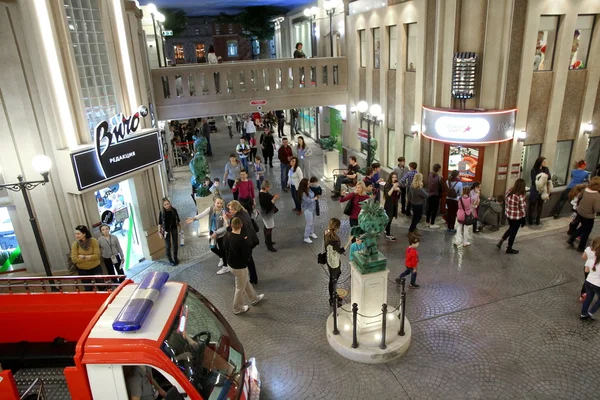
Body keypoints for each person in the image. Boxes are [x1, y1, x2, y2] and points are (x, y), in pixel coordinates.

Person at [224, 217, 264, 315]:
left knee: (245, 281)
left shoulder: (227, 234)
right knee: (239, 288)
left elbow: (224, 247)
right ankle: (237, 308)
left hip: (230, 263)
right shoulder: (241, 240)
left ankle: (254, 298)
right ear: (241, 225)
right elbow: (247, 255)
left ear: (231, 225)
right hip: (239, 267)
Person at [186, 196, 230, 275]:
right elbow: (202, 214)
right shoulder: (211, 209)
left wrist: (216, 233)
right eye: (218, 203)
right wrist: (194, 218)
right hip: (211, 231)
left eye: (221, 203)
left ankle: (225, 267)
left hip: (221, 235)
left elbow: (225, 227)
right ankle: (221, 258)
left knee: (223, 250)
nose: (219, 205)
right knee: (212, 248)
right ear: (214, 203)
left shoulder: (224, 213)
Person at [227, 201, 260, 284]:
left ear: (235, 209)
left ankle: (249, 278)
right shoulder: (244, 212)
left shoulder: (237, 219)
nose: (229, 211)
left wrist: (226, 220)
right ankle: (253, 278)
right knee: (249, 259)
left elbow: (231, 229)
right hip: (251, 239)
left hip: (245, 242)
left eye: (231, 209)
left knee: (247, 259)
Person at [567, 176, 600, 252]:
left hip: (580, 212)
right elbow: (597, 209)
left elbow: (579, 197)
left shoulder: (585, 190)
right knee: (586, 231)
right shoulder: (597, 195)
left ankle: (571, 239)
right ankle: (581, 247)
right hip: (588, 216)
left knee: (583, 227)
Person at [323, 218, 351, 307]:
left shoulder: (326, 233)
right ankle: (332, 299)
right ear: (337, 228)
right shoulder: (334, 240)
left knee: (335, 277)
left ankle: (334, 295)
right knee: (333, 280)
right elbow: (341, 251)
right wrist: (349, 240)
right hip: (334, 262)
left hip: (329, 259)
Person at [497, 178, 527, 254]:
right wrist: (523, 218)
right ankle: (509, 248)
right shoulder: (520, 196)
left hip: (509, 215)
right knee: (513, 232)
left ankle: (501, 240)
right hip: (517, 217)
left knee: (511, 228)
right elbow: (522, 208)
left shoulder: (509, 191)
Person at [71, 225, 102, 291]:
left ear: (84, 234)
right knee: (88, 288)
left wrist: (83, 257)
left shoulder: (93, 241)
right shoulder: (75, 244)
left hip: (95, 268)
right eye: (75, 234)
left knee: (101, 286)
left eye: (78, 234)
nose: (76, 236)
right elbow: (74, 259)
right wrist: (90, 257)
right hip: (83, 270)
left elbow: (97, 256)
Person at [580, 237, 600, 320]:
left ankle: (583, 314)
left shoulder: (591, 260)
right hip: (598, 284)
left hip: (588, 281)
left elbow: (586, 270)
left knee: (588, 298)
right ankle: (591, 312)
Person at [158, 198, 181, 266]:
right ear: (163, 206)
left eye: (168, 204)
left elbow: (178, 219)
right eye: (165, 205)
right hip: (166, 230)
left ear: (170, 203)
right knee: (168, 245)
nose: (167, 205)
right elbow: (159, 223)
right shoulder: (162, 213)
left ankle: (175, 257)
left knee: (175, 243)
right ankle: (170, 259)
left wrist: (180, 227)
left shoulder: (174, 210)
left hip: (174, 228)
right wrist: (159, 232)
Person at [529, 156, 551, 225]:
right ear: (540, 162)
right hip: (535, 189)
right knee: (532, 204)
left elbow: (549, 177)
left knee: (540, 204)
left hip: (543, 189)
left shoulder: (546, 169)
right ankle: (530, 219)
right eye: (544, 162)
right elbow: (533, 181)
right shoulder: (534, 170)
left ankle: (538, 219)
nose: (545, 163)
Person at [259, 180, 279, 252]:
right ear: (265, 187)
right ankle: (269, 245)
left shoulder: (264, 192)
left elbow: (268, 199)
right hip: (267, 214)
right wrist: (274, 199)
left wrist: (273, 196)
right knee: (269, 228)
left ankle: (267, 241)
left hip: (267, 213)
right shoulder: (262, 195)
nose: (269, 189)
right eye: (268, 187)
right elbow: (267, 205)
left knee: (266, 227)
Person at [298, 178, 318, 243]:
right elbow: (308, 201)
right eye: (308, 183)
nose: (309, 184)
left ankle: (311, 233)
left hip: (313, 208)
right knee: (309, 223)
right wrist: (315, 198)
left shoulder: (308, 189)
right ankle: (306, 237)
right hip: (308, 209)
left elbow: (316, 186)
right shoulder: (303, 193)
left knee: (313, 221)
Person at [408, 173, 428, 237]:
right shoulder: (419, 189)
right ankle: (411, 231)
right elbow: (426, 196)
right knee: (418, 218)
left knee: (415, 217)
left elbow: (409, 195)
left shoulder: (412, 186)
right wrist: (427, 192)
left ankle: (414, 230)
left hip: (413, 203)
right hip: (419, 205)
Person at [383, 172, 401, 241]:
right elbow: (388, 194)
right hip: (389, 204)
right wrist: (393, 188)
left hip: (394, 204)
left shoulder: (395, 184)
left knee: (390, 218)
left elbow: (397, 196)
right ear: (390, 178)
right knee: (389, 219)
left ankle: (386, 230)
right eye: (393, 177)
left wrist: (398, 190)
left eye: (396, 177)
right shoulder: (388, 185)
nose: (394, 179)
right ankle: (388, 234)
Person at [426, 163, 443, 229]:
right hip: (436, 195)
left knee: (429, 209)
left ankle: (427, 222)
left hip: (429, 194)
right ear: (439, 169)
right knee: (434, 210)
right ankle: (432, 223)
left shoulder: (430, 174)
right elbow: (440, 186)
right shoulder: (439, 177)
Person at [445, 170, 462, 234]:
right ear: (457, 175)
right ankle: (452, 228)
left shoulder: (447, 181)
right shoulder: (459, 183)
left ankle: (448, 227)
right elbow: (460, 193)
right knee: (453, 214)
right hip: (455, 200)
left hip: (448, 199)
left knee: (449, 213)